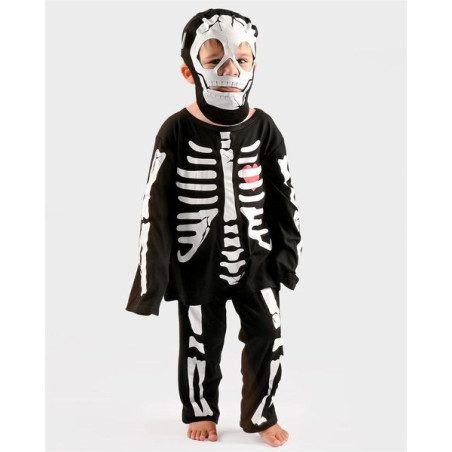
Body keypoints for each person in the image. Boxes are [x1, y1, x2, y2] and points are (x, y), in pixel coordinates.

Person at [125, 8, 303, 447]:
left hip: (257, 256)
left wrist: (287, 257)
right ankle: (201, 410)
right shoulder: (175, 129)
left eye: (242, 59)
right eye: (214, 59)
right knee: (200, 341)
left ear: (255, 65)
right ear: (189, 70)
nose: (230, 70)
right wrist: (151, 280)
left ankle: (261, 413)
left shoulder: (264, 127)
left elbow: (285, 195)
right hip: (195, 260)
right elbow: (155, 206)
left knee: (269, 335)